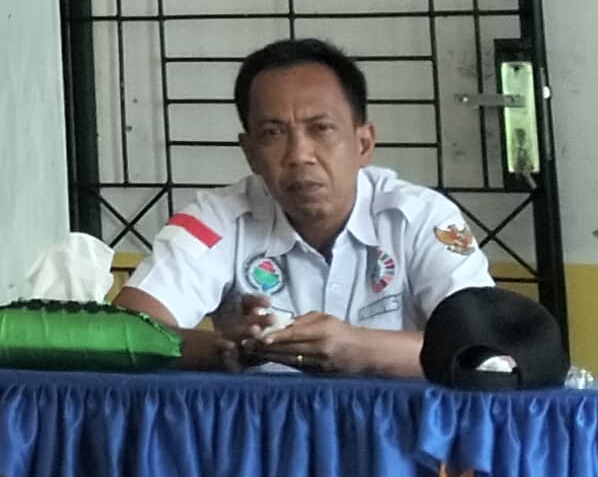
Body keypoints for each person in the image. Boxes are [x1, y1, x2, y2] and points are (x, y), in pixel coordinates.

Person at [120, 38, 493, 375]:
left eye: (321, 129)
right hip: (264, 426)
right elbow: (125, 331)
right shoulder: (218, 218)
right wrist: (223, 349)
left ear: (363, 144)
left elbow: (487, 349)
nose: (299, 155)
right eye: (273, 133)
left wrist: (359, 350)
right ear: (250, 153)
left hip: (402, 427)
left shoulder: (419, 217)